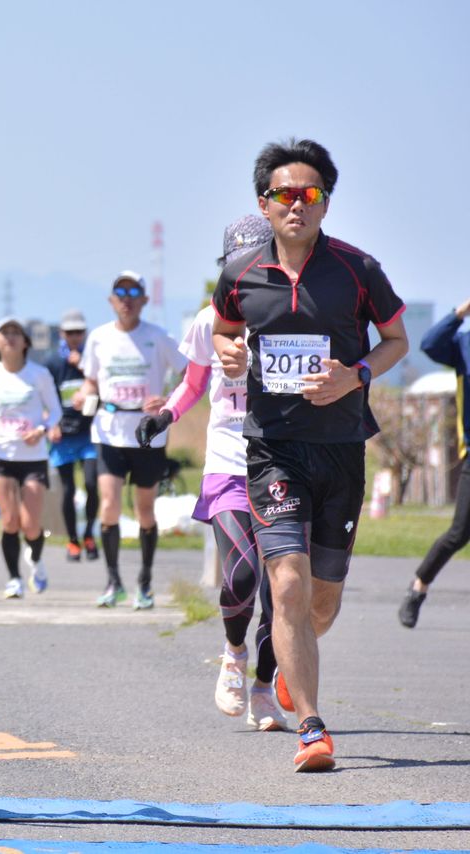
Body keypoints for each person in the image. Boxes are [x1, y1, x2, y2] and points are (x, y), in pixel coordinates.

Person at [212, 138, 407, 772]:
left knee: (322, 601)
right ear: (263, 203)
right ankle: (313, 729)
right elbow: (224, 329)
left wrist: (355, 374)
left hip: (341, 451)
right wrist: (228, 351)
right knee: (287, 583)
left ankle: (291, 667)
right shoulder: (241, 274)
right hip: (273, 449)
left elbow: (397, 339)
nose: (297, 205)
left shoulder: (358, 269)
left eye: (310, 194)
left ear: (326, 202)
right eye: (284, 194)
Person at [137, 214, 285, 732]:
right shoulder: (208, 320)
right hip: (227, 462)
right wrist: (165, 416)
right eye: (237, 264)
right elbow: (194, 383)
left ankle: (264, 688)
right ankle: (234, 651)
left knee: (281, 593)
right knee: (241, 575)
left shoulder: (291, 315)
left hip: (284, 462)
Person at [71, 273, 186, 610]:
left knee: (144, 510)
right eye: (120, 292)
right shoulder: (99, 337)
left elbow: (190, 375)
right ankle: (113, 582)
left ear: (144, 300)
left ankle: (145, 582)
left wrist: (168, 400)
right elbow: (91, 381)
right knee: (108, 504)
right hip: (109, 429)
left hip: (148, 431)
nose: (127, 298)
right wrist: (82, 394)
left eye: (134, 292)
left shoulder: (159, 337)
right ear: (111, 300)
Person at [0, 317, 63, 598]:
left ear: (25, 342)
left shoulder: (39, 374)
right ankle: (14, 579)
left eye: (15, 332)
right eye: (4, 333)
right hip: (0, 455)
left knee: (31, 524)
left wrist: (41, 430)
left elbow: (56, 411)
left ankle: (36, 560)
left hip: (33, 457)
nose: (10, 337)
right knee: (9, 521)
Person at [401, 298, 470, 627]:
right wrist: (461, 312)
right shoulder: (464, 344)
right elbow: (430, 343)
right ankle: (418, 588)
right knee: (459, 532)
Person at [45, 309, 100, 562]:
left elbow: (104, 385)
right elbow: (44, 397)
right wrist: (50, 424)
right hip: (63, 435)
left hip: (89, 433)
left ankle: (89, 533)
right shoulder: (52, 364)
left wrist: (83, 365)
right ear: (62, 334)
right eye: (70, 332)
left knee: (91, 483)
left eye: (79, 332)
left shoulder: (92, 359)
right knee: (68, 490)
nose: (75, 337)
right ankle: (72, 540)